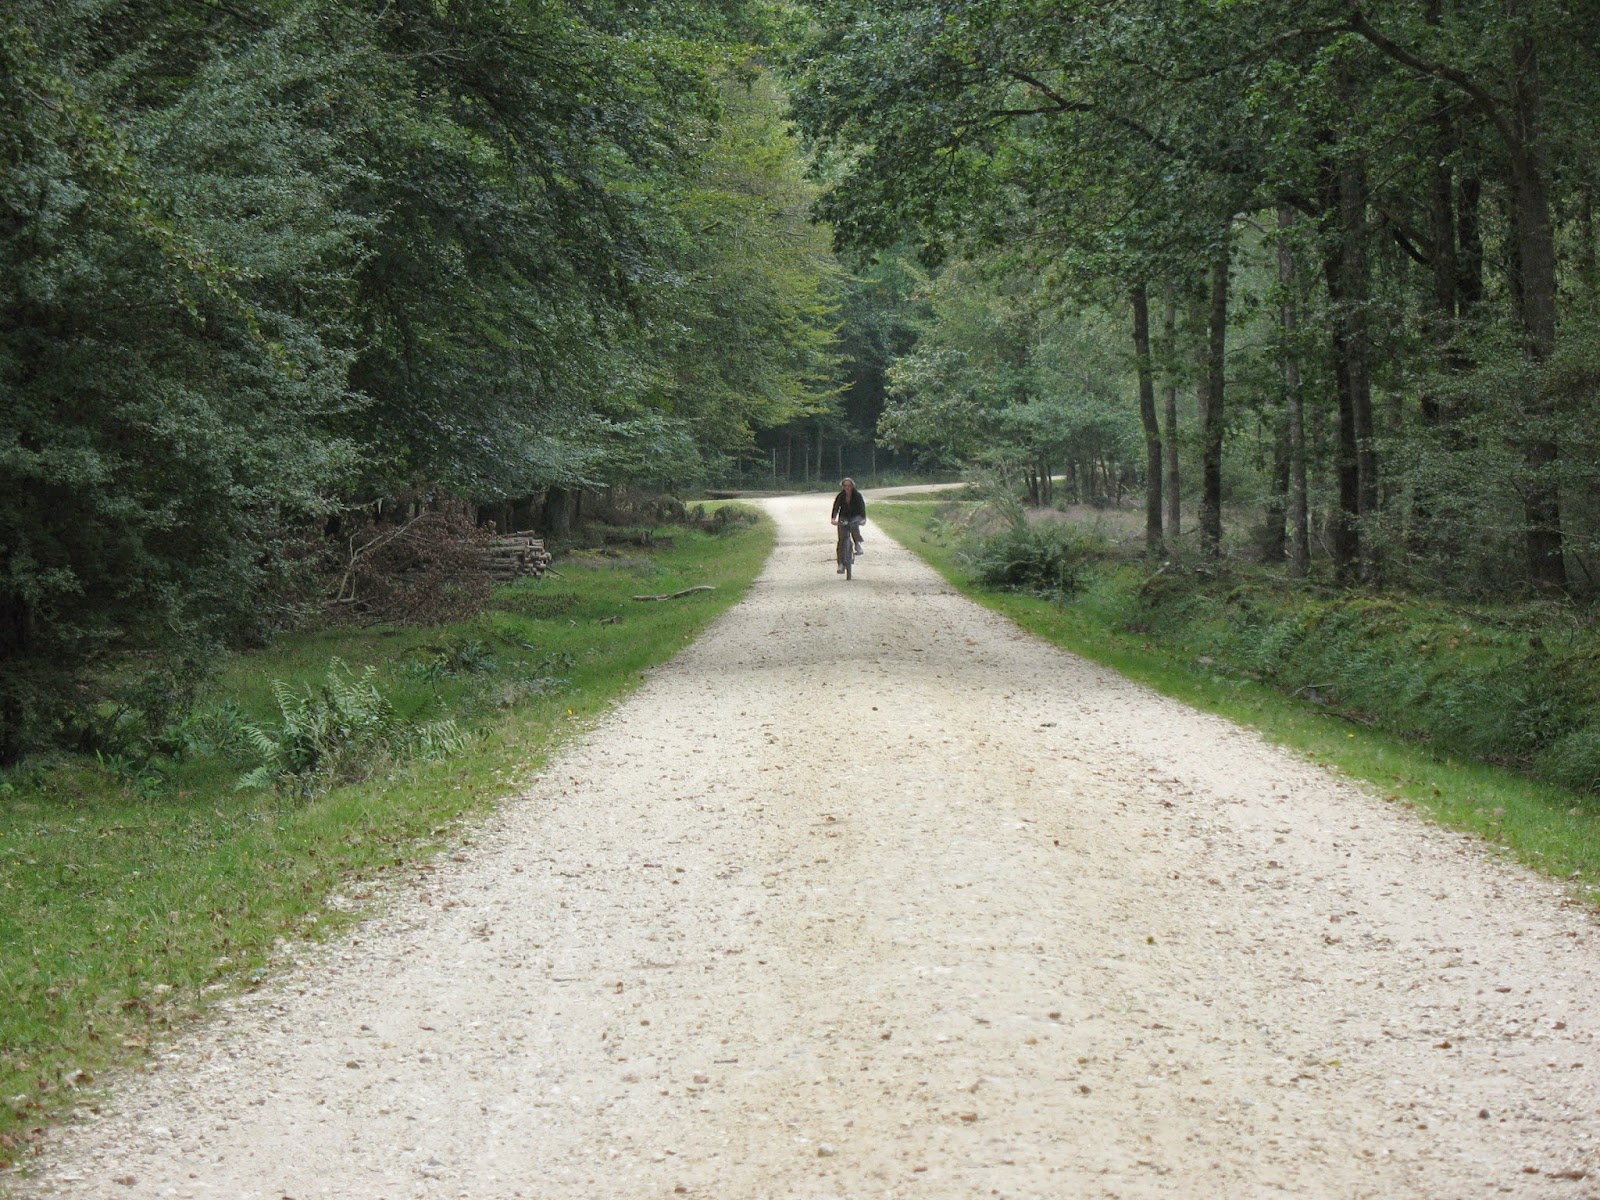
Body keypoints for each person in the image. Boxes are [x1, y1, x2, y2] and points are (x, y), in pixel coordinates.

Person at [830, 477, 866, 572]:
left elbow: (862, 507)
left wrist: (863, 519)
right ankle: (840, 564)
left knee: (854, 526)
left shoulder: (857, 495)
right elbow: (836, 507)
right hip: (844, 517)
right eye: (845, 486)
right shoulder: (840, 496)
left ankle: (857, 543)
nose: (847, 487)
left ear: (852, 486)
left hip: (855, 516)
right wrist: (833, 518)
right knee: (842, 540)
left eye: (849, 486)